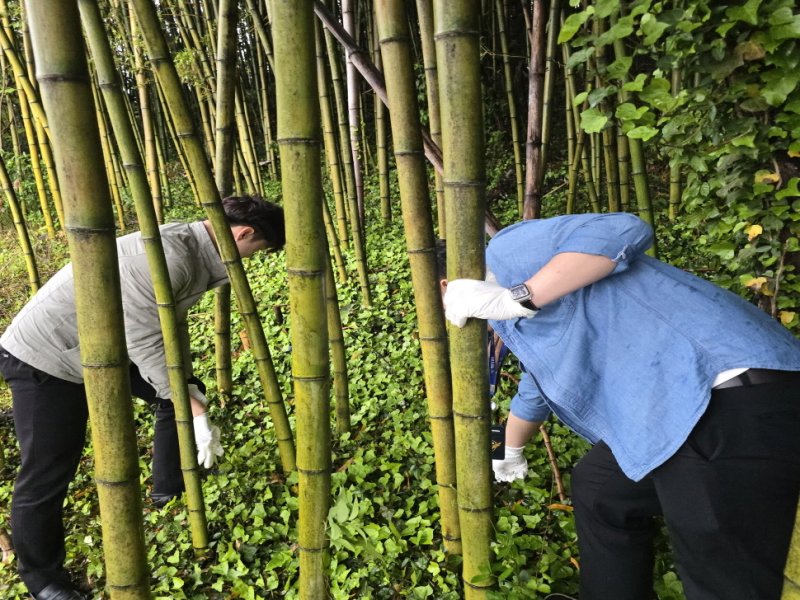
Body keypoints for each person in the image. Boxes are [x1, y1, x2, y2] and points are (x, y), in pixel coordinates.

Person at [443, 212, 800, 600]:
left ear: (449, 286)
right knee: (600, 489)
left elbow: (623, 229)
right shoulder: (509, 318)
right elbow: (539, 381)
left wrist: (518, 296)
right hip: (670, 417)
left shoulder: (507, 255)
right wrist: (508, 448)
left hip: (721, 397)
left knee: (722, 582)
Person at [0, 195, 284, 600]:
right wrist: (190, 403)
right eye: (258, 251)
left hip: (100, 346)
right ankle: (41, 579)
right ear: (244, 233)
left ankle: (169, 488)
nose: (253, 259)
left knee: (183, 391)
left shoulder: (193, 245)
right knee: (47, 470)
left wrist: (185, 387)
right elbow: (145, 340)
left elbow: (167, 327)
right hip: (45, 358)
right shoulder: (173, 256)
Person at [435, 240, 533, 483]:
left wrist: (512, 447)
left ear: (444, 285)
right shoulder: (491, 302)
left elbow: (539, 382)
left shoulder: (513, 305)